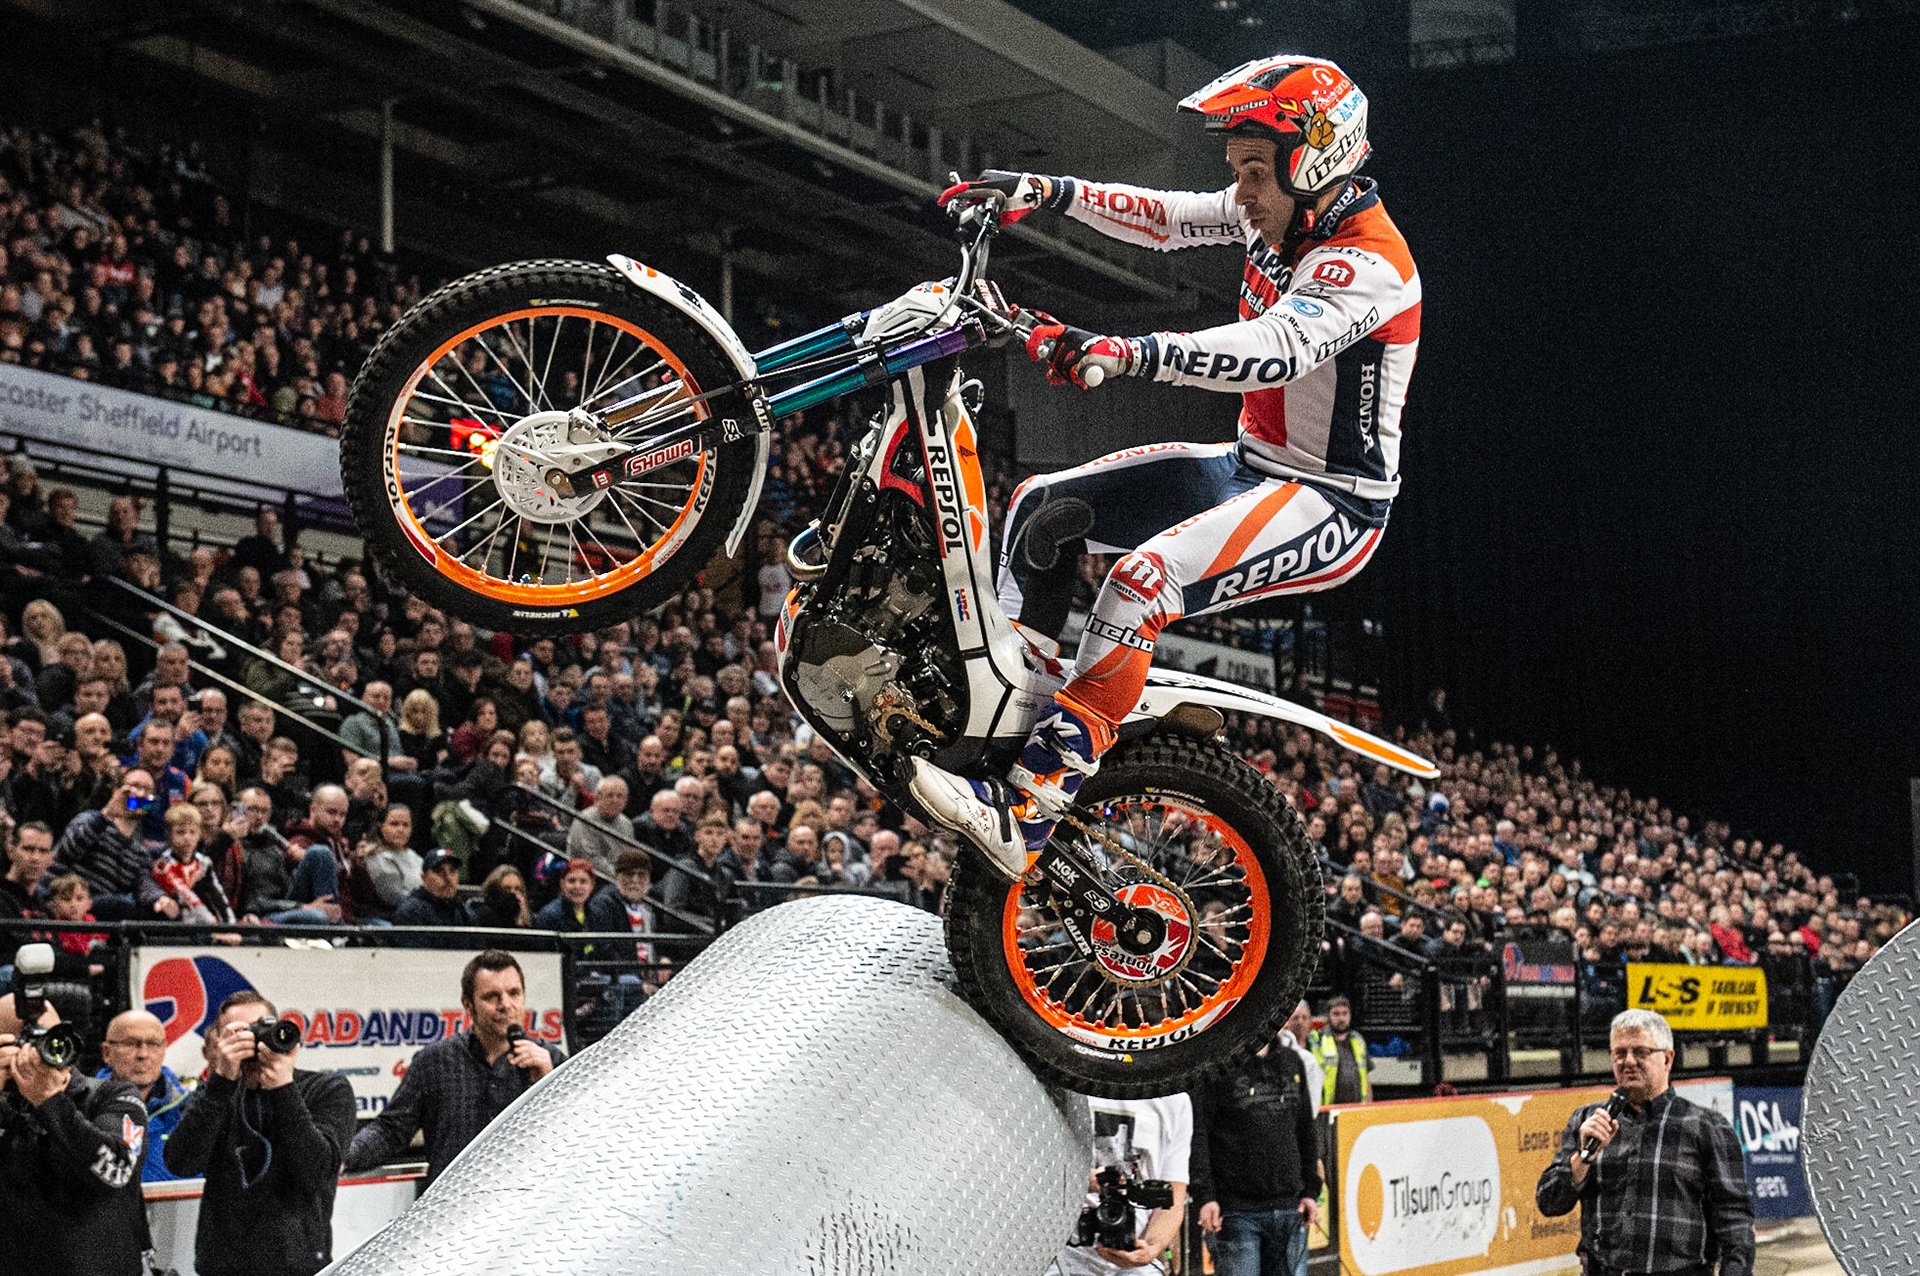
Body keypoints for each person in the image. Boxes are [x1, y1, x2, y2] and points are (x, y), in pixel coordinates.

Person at [912, 55, 1417, 878]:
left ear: (1315, 161)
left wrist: (1129, 352)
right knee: (1042, 508)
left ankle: (1031, 807)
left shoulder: (1369, 265)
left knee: (1140, 583)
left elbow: (1272, 350)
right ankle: (1008, 723)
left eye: (1255, 172)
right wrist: (1045, 192)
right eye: (1237, 170)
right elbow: (1171, 217)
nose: (1241, 193)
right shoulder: (1279, 211)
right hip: (1251, 465)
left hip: (1332, 502)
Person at [1537, 1009, 1753, 1275]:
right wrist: (1582, 1160)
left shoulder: (1707, 1127)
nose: (1628, 1061)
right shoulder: (1587, 1121)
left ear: (1668, 1058)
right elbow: (1548, 1203)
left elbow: (1735, 1222)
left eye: (1641, 1052)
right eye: (1619, 1053)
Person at [163, 990, 357, 1276]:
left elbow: (316, 1174)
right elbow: (181, 1163)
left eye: (260, 1028)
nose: (253, 1040)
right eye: (239, 1033)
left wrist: (283, 1088)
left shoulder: (326, 1090)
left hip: (297, 1268)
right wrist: (220, 1082)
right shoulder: (216, 1095)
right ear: (219, 1042)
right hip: (222, 1268)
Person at [344, 950, 563, 1185]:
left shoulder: (549, 1061)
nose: (506, 1005)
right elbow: (391, 1130)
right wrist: (342, 1158)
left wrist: (549, 1085)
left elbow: (575, 1141)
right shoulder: (434, 1062)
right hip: (451, 1202)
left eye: (514, 993)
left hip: (525, 1199)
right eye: (492, 997)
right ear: (468, 1005)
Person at [0, 990, 151, 1276]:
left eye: (49, 1039)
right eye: (22, 1043)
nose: (36, 1054)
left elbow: (116, 1171)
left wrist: (50, 1102)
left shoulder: (112, 1096)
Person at [1189, 1024, 1321, 1276]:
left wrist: (1310, 1191)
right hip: (1236, 1211)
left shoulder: (1292, 1061)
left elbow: (1306, 1130)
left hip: (1290, 1206)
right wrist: (1205, 1196)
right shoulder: (1216, 1064)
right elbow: (1199, 1134)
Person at [1049, 1094, 1190, 1276]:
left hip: (1133, 1254)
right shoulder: (1061, 1085)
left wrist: (1149, 1249)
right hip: (1061, 1252)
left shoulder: (1174, 1099)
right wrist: (1081, 1182)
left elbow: (1172, 1198)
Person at [96, 1008, 194, 1181]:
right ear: (107, 1053)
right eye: (130, 1043)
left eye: (153, 1044)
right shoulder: (82, 1111)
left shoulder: (189, 1113)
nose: (143, 1054)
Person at [1311, 996, 1371, 1106]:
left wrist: (1369, 1108)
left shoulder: (1358, 1040)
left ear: (1350, 1015)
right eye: (1336, 1014)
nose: (1341, 1018)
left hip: (1357, 1108)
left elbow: (1366, 1078)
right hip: (1328, 1109)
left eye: (1345, 1013)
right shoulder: (1318, 1040)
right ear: (1327, 1016)